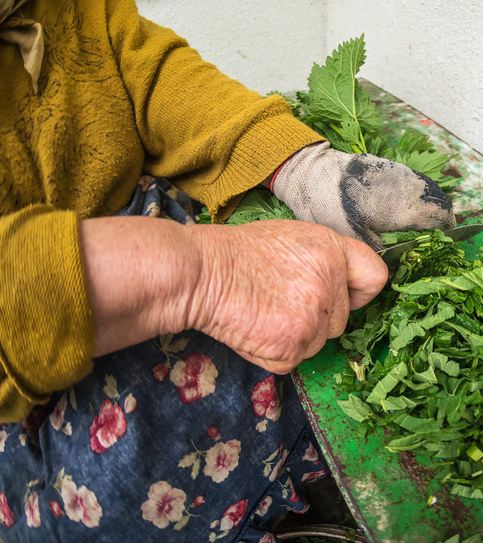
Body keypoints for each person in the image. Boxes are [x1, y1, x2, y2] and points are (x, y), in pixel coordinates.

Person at [0, 0, 454, 541]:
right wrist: (205, 273)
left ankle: (280, 501)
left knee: (293, 359)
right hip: (35, 361)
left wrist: (293, 164)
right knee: (118, 494)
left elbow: (154, 77)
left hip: (148, 244)